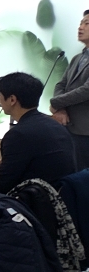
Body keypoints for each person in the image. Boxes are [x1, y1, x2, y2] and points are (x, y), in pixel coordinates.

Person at [0, 72, 75, 193]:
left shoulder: (18, 134)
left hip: (34, 200)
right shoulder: (56, 126)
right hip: (60, 196)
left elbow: (3, 184)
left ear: (12, 100)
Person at [51, 10, 89, 170]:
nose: (80, 27)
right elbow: (61, 85)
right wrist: (60, 109)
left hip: (86, 130)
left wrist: (55, 102)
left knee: (83, 177)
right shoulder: (77, 58)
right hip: (68, 127)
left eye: (87, 23)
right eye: (81, 23)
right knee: (70, 174)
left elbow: (86, 90)